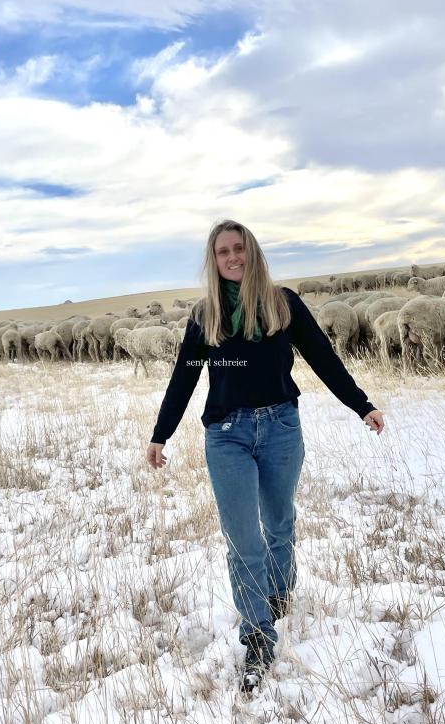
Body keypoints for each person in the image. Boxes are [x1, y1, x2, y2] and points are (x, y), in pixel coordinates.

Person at [146, 219, 385, 694]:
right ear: (213, 261)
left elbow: (323, 357)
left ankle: (277, 592)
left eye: (239, 248)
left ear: (252, 252)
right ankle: (257, 635)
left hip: (280, 428)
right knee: (242, 538)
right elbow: (185, 377)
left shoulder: (283, 303)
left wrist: (362, 404)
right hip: (227, 435)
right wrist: (161, 434)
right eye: (222, 252)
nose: (232, 257)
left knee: (279, 522)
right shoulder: (205, 315)